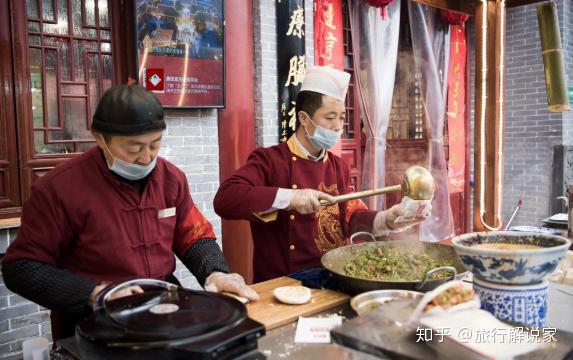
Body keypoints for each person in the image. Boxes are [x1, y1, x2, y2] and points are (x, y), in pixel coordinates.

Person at [2, 85, 258, 340]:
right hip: (95, 322)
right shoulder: (59, 189)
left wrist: (215, 272)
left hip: (163, 313)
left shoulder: (171, 179)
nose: (146, 158)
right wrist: (95, 293)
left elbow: (194, 236)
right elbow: (22, 266)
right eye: (134, 149)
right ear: (100, 138)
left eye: (154, 145)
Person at [214, 66, 430, 282]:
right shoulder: (270, 160)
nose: (338, 126)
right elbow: (225, 199)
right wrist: (291, 198)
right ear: (304, 119)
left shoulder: (338, 166)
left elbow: (350, 217)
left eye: (341, 117)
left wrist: (386, 220)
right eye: (329, 117)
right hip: (283, 284)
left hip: (333, 276)